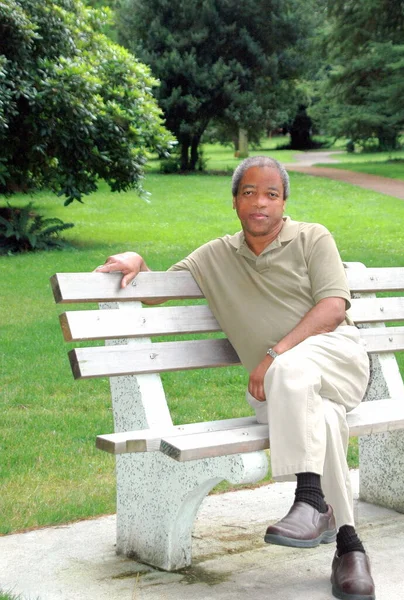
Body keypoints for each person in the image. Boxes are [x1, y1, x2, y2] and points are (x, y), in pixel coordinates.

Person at [95, 156, 375, 600]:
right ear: (235, 201)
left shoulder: (312, 237)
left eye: (271, 194)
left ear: (284, 202)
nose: (260, 203)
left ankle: (308, 499)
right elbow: (155, 293)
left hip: (339, 360)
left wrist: (273, 355)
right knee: (321, 417)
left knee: (292, 371)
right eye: (249, 193)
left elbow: (333, 309)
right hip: (283, 392)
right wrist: (136, 258)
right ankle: (349, 546)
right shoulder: (215, 256)